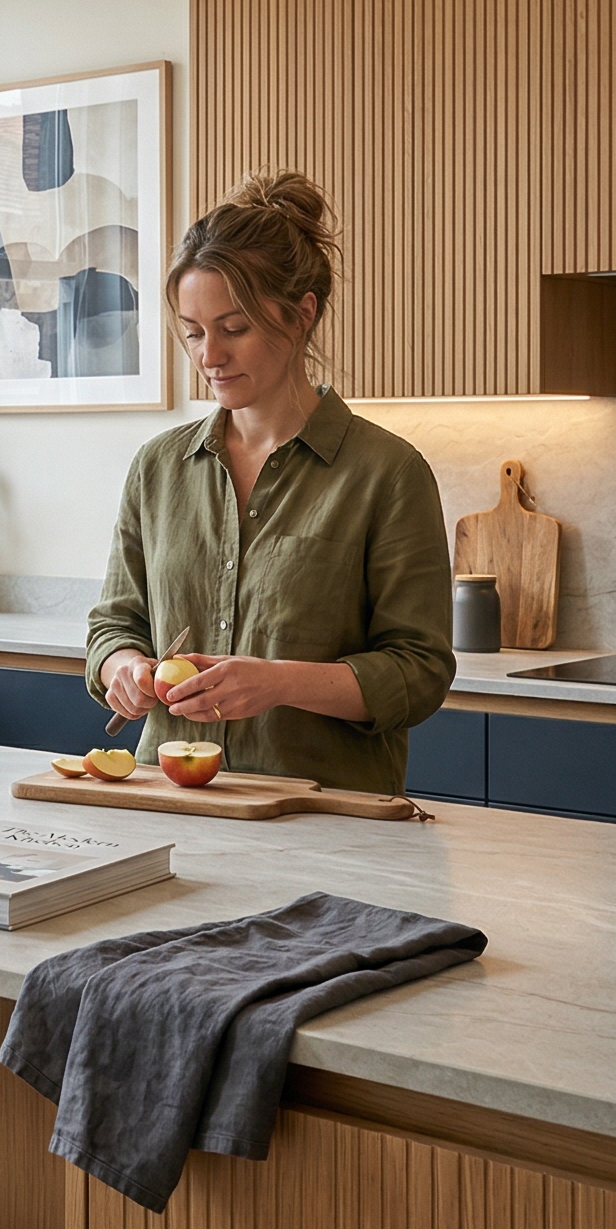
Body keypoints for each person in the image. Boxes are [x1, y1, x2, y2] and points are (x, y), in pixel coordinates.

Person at [87, 173, 454, 797]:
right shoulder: (157, 468)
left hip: (327, 821)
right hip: (170, 805)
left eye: (234, 328)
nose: (209, 356)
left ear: (302, 313)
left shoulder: (388, 474)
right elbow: (114, 625)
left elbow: (418, 674)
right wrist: (123, 667)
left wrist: (278, 682)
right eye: (194, 332)